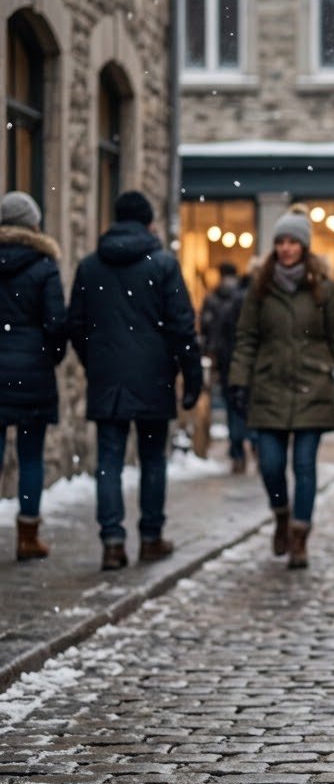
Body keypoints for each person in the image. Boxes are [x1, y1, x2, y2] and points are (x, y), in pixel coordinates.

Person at [68, 191, 203, 571]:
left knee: (109, 460)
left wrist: (94, 361)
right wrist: (191, 376)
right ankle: (150, 537)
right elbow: (181, 327)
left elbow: (75, 324)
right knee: (152, 460)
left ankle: (112, 541)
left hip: (108, 376)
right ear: (149, 223)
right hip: (153, 375)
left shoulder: (91, 266)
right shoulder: (162, 265)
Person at [228, 204, 334, 570]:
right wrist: (238, 381)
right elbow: (246, 339)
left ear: (304, 246)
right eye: (280, 242)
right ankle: (282, 517)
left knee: (304, 466)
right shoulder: (260, 288)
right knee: (270, 465)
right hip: (269, 386)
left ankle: (299, 537)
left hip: (311, 387)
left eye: (292, 241)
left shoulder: (324, 290)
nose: (286, 248)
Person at [0, 192, 67, 561]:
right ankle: (27, 536)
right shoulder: (44, 266)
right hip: (32, 372)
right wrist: (47, 357)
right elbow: (57, 324)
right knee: (30, 456)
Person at [199, 261, 249, 472]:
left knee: (232, 406)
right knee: (247, 405)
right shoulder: (245, 296)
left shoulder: (213, 298)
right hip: (247, 360)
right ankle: (252, 443)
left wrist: (212, 354)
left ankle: (237, 449)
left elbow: (207, 327)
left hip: (227, 359)